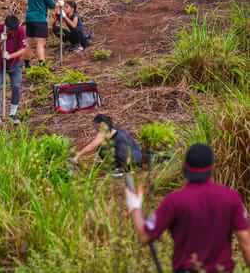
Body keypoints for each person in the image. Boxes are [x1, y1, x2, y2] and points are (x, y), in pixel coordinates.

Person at [126, 143, 250, 273]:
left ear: (185, 168)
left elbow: (144, 236)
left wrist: (134, 206)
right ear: (212, 167)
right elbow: (246, 243)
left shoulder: (174, 201)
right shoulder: (231, 198)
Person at [72, 114, 142, 176]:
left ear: (101, 124)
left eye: (95, 125)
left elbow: (92, 146)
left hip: (130, 162)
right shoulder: (116, 129)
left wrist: (78, 155)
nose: (94, 128)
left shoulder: (104, 131)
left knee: (101, 148)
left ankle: (121, 169)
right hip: (138, 159)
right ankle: (125, 167)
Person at [0, 15, 27, 127]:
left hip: (15, 64)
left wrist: (10, 56)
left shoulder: (20, 30)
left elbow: (23, 49)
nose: (13, 32)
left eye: (14, 30)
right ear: (6, 27)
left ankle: (12, 115)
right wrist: (1, 41)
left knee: (16, 87)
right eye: (11, 30)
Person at [25, 0, 62, 68]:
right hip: (40, 18)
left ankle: (27, 66)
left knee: (28, 42)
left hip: (29, 18)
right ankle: (42, 66)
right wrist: (58, 2)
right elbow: (51, 5)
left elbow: (39, 0)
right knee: (40, 43)